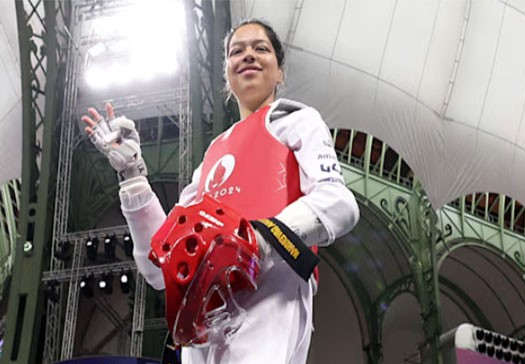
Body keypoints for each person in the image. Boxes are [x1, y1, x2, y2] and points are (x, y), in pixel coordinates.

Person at [82, 18, 359, 364]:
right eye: (236, 51)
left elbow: (338, 202)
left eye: (261, 48)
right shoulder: (212, 155)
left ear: (280, 72)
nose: (248, 56)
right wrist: (133, 175)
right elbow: (159, 268)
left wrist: (257, 240)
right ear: (227, 75)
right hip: (204, 310)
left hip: (271, 289)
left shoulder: (296, 120)